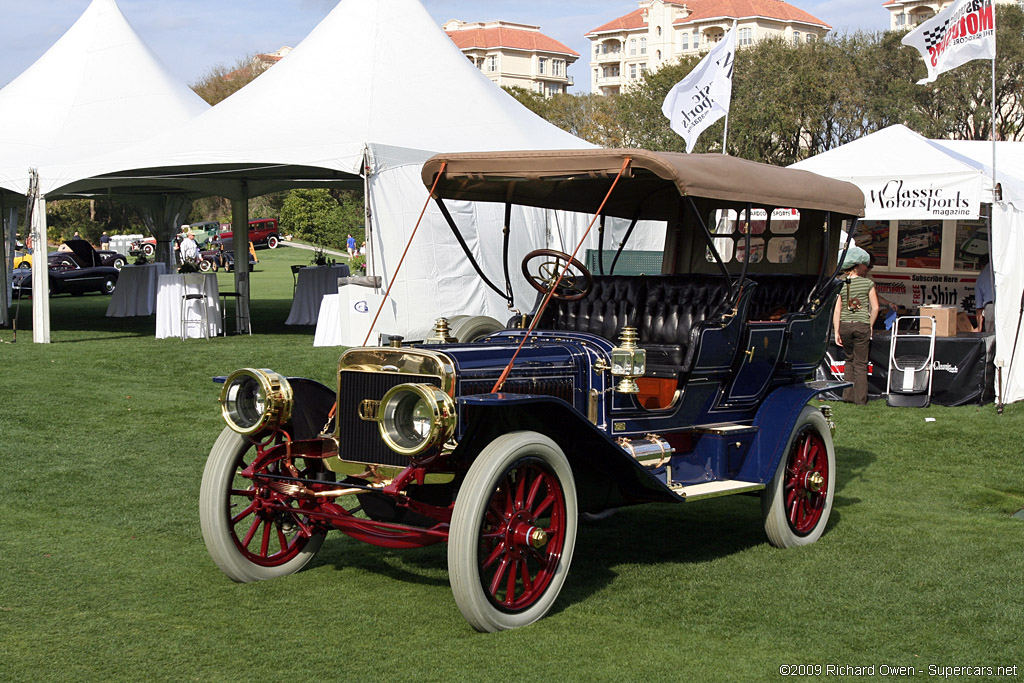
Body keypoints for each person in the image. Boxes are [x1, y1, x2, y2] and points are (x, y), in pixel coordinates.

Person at [832, 245, 879, 405]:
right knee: (860, 364)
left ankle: (847, 396)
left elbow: (837, 310)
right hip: (861, 325)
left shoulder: (840, 284)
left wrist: (836, 330)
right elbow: (876, 307)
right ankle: (860, 399)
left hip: (845, 324)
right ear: (858, 265)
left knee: (849, 361)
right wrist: (870, 324)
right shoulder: (868, 284)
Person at [974, 257, 994, 333]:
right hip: (1006, 306)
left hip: (990, 307)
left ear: (981, 265)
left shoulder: (981, 277)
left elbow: (979, 307)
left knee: (990, 337)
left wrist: (979, 328)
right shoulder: (1001, 270)